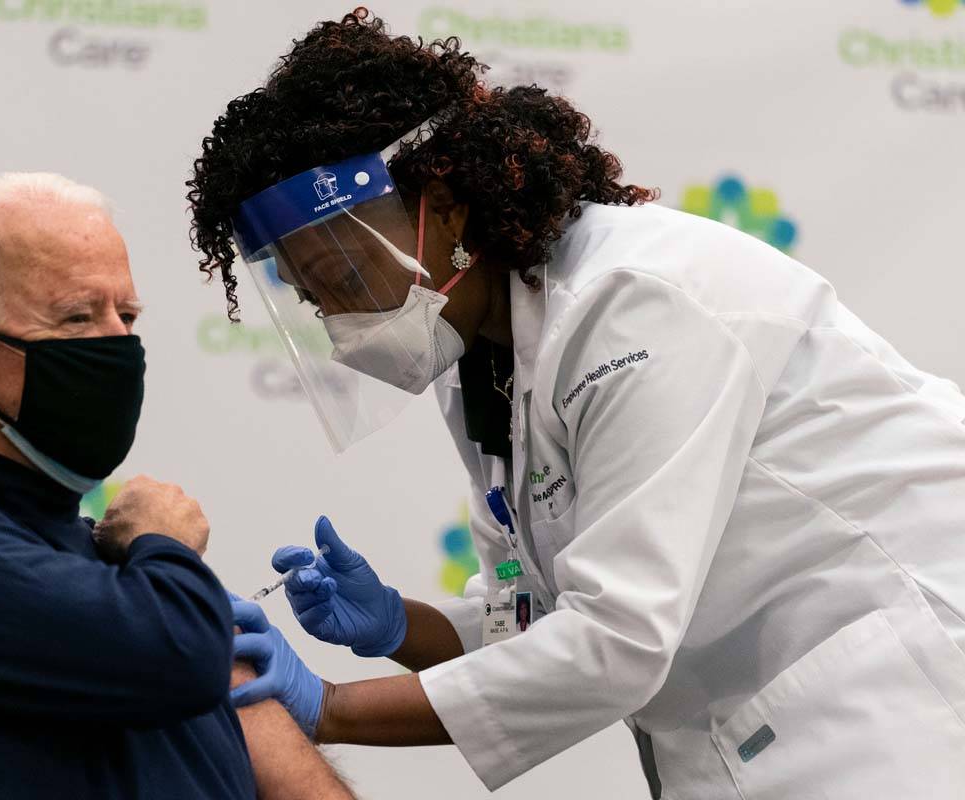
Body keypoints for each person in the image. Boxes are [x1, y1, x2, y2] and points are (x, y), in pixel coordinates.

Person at [187, 10, 965, 798]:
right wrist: (398, 625)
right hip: (762, 724)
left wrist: (331, 708)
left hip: (894, 692)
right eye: (318, 299)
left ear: (447, 205)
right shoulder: (493, 362)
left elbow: (615, 642)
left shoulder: (629, 304)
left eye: (348, 278)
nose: (344, 323)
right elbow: (534, 627)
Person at [0, 173, 352, 800]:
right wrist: (167, 550)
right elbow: (175, 658)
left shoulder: (131, 575)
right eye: (78, 317)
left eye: (128, 315)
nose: (120, 345)